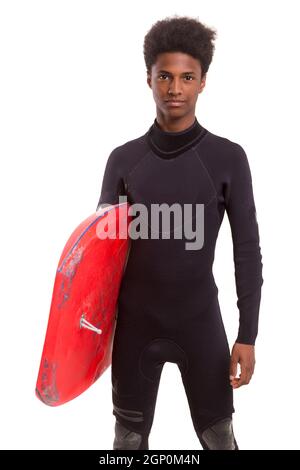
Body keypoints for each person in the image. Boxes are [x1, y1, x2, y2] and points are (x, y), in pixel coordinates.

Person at [96, 15, 263, 450]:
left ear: (203, 82)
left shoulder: (228, 159)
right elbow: (99, 261)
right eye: (165, 76)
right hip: (133, 329)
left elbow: (246, 252)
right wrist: (88, 338)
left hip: (200, 325)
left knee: (219, 437)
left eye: (187, 77)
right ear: (148, 79)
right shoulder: (122, 161)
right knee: (127, 442)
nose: (175, 89)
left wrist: (248, 334)